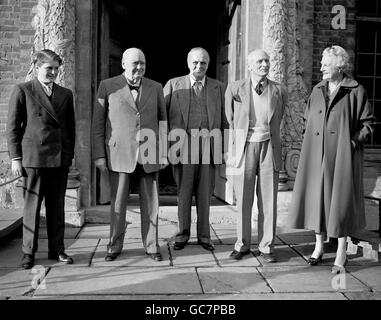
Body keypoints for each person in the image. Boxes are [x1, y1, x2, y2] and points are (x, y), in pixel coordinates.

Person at [288, 45, 375, 273]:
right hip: (317, 155)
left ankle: (341, 252)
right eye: (322, 64)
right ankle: (318, 247)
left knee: (340, 202)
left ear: (340, 66)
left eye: (326, 64)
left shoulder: (356, 90)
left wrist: (352, 142)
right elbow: (307, 119)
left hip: (342, 156)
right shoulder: (317, 89)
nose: (321, 68)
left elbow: (368, 124)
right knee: (318, 199)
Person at [92, 48, 167, 262]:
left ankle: (152, 246)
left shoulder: (156, 87)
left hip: (149, 152)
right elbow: (98, 124)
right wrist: (99, 155)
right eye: (135, 63)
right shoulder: (107, 86)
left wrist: (163, 154)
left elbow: (163, 121)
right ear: (123, 64)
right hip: (118, 153)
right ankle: (114, 246)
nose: (139, 67)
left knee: (151, 204)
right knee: (117, 204)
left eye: (143, 63)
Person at [7, 49, 76, 269]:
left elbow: (70, 129)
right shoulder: (23, 90)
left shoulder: (65, 94)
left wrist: (68, 156)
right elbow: (12, 128)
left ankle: (57, 250)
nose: (53, 72)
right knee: (32, 207)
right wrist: (15, 158)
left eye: (56, 68)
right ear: (37, 67)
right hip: (33, 159)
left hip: (58, 160)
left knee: (57, 207)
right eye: (49, 68)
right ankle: (28, 252)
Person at [225, 49, 287, 263]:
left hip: (269, 146)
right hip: (244, 147)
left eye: (267, 60)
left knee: (268, 199)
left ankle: (266, 246)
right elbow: (231, 119)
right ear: (249, 65)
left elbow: (279, 116)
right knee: (243, 198)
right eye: (260, 61)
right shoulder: (235, 88)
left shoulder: (279, 89)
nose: (265, 64)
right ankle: (242, 244)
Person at [164, 47, 227, 251]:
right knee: (184, 192)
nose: (199, 66)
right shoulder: (174, 85)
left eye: (203, 63)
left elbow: (226, 121)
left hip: (210, 146)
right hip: (182, 146)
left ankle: (204, 236)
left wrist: (225, 148)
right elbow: (161, 118)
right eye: (196, 62)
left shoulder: (219, 87)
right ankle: (182, 234)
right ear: (188, 63)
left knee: (205, 193)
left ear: (208, 64)